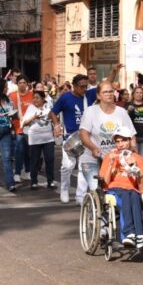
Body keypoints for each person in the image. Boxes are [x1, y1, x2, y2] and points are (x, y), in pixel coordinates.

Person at [78, 81, 134, 206]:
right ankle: (101, 223)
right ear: (98, 95)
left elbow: (131, 134)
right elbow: (83, 134)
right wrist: (93, 148)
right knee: (98, 191)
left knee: (116, 189)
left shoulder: (121, 112)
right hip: (92, 158)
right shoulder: (91, 112)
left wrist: (133, 149)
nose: (109, 94)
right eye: (105, 92)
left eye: (110, 91)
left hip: (114, 158)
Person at [100, 125, 143, 249]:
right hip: (114, 188)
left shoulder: (138, 159)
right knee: (126, 194)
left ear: (130, 141)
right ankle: (129, 233)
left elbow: (141, 189)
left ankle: (140, 235)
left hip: (132, 190)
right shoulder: (109, 156)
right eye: (117, 141)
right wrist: (110, 163)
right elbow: (105, 183)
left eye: (124, 140)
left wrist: (135, 168)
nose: (120, 144)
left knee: (135, 195)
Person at [49, 74, 93, 204]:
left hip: (86, 137)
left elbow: (107, 83)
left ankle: (80, 195)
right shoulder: (65, 98)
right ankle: (64, 189)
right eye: (81, 87)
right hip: (70, 138)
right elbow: (53, 112)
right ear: (74, 86)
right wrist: (57, 125)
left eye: (86, 86)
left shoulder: (89, 95)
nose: (84, 89)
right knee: (67, 166)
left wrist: (114, 72)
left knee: (83, 167)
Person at [21, 90, 56, 190]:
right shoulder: (30, 108)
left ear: (42, 99)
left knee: (49, 159)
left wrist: (56, 125)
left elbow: (54, 118)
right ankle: (34, 181)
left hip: (48, 138)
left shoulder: (48, 108)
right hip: (34, 139)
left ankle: (51, 181)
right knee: (34, 160)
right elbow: (24, 123)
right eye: (34, 98)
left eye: (37, 98)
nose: (35, 100)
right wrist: (33, 117)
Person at [8, 76, 34, 182]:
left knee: (28, 151)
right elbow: (8, 111)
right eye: (20, 82)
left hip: (31, 128)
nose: (22, 84)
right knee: (19, 150)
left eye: (24, 82)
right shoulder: (12, 96)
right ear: (17, 84)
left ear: (27, 84)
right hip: (18, 128)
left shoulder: (32, 95)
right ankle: (17, 173)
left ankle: (27, 171)